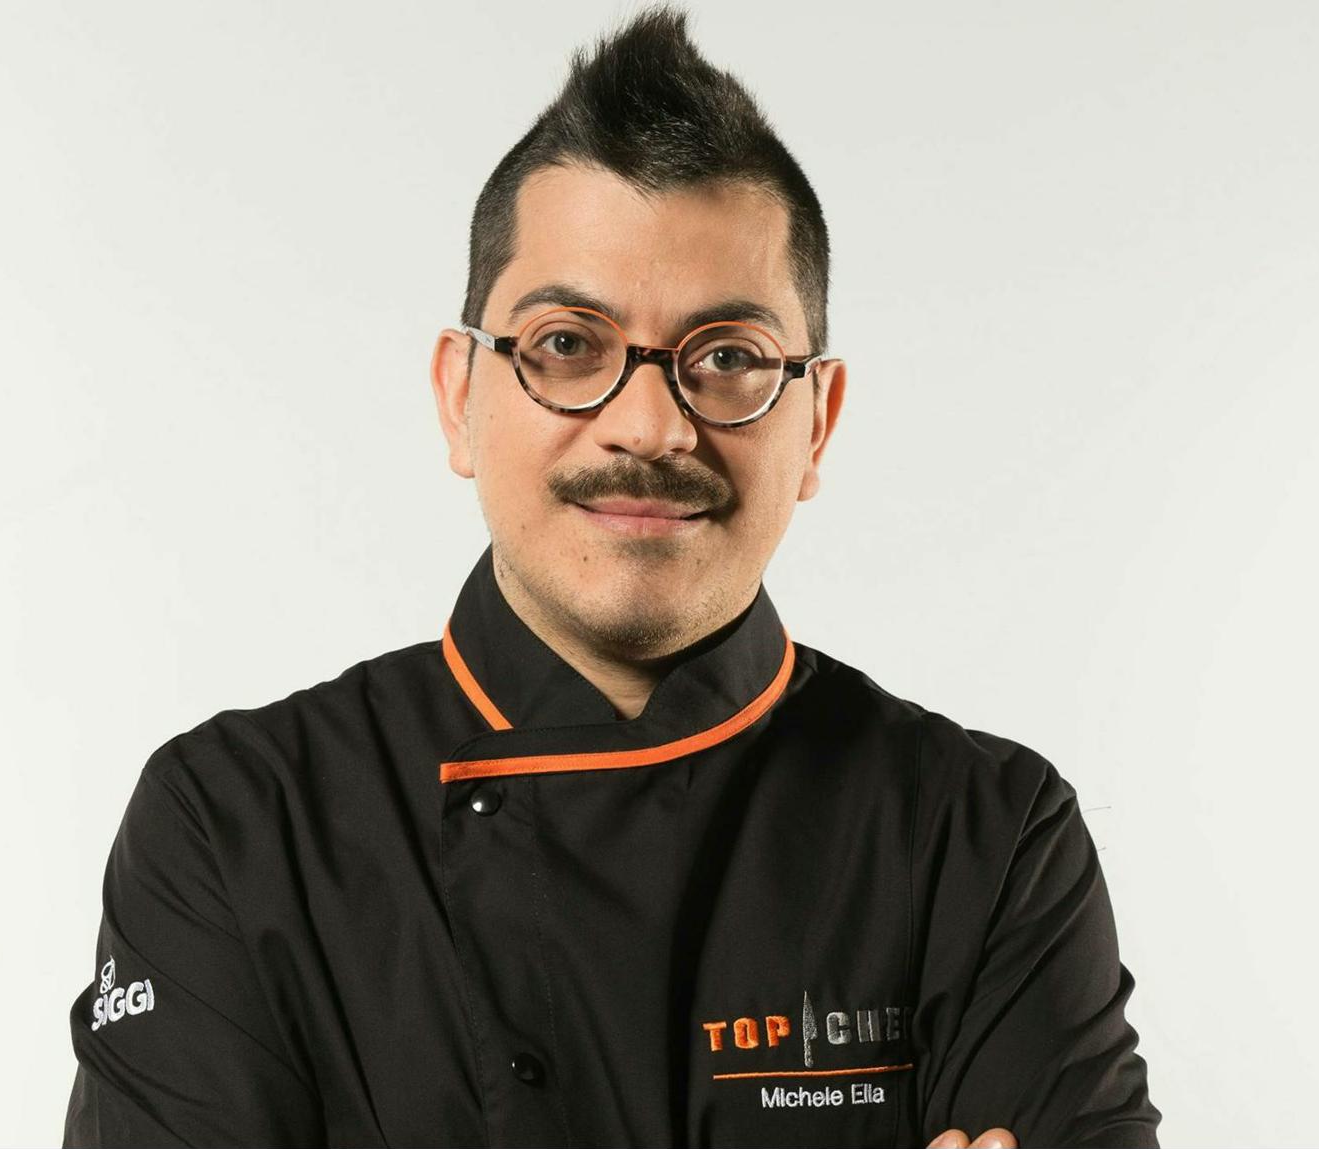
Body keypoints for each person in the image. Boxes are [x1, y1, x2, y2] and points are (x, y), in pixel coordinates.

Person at [61, 6, 1161, 1146]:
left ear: (818, 423)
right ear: (459, 396)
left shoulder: (984, 836)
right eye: (566, 345)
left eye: (727, 357)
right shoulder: (236, 824)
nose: (649, 426)